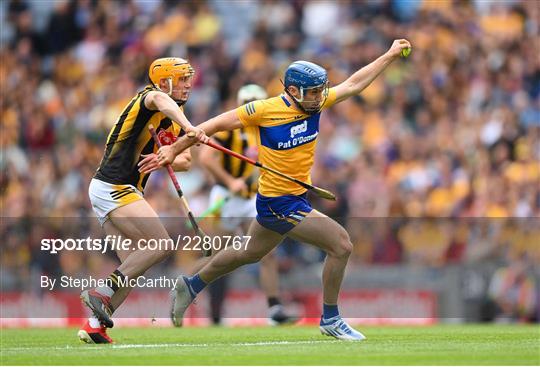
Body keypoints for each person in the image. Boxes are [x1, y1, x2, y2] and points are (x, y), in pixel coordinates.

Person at [158, 39, 412, 341]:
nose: (320, 97)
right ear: (293, 91)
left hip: (286, 198)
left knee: (248, 253)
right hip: (280, 202)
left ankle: (190, 285)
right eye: (314, 92)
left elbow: (354, 84)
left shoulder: (316, 102)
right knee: (341, 245)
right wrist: (174, 149)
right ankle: (330, 318)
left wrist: (390, 54)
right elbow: (209, 127)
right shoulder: (263, 110)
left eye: (321, 90)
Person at [78, 57, 206, 344]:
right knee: (160, 244)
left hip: (113, 189)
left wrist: (167, 156)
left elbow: (185, 160)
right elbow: (162, 101)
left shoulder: (173, 113)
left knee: (133, 265)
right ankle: (100, 292)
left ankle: (94, 326)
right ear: (165, 81)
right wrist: (189, 127)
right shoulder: (150, 97)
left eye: (188, 78)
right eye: (182, 79)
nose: (188, 85)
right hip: (114, 186)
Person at [185, 84, 297, 326]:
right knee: (221, 257)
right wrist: (230, 181)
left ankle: (274, 308)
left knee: (265, 251)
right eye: (249, 103)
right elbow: (205, 157)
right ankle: (193, 294)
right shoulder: (230, 130)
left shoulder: (268, 130)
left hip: (252, 199)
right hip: (226, 198)